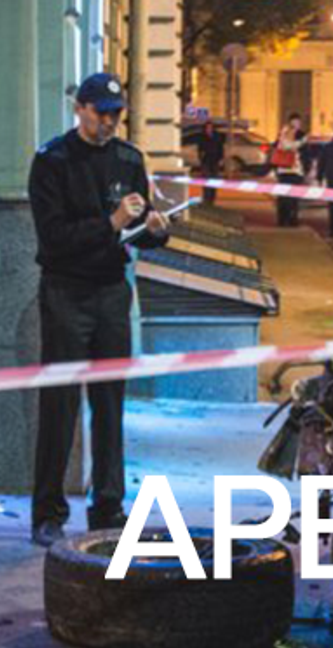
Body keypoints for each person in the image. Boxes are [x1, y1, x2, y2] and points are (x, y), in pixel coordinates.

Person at [27, 73, 171, 547]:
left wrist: (156, 229)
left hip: (111, 291)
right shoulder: (52, 161)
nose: (109, 122)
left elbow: (138, 228)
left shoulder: (128, 159)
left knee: (110, 403)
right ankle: (48, 512)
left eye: (116, 114)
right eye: (101, 113)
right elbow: (54, 239)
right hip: (66, 292)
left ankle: (108, 507)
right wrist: (111, 222)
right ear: (80, 109)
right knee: (60, 405)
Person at [273, 113, 307, 227]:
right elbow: (286, 146)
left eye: (298, 122)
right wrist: (302, 142)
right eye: (295, 122)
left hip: (294, 171)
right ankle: (284, 219)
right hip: (286, 170)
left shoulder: (300, 134)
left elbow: (306, 154)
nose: (297, 125)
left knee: (293, 198)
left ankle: (291, 219)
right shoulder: (284, 133)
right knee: (285, 197)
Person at [197, 120, 224, 204]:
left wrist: (220, 158)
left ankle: (212, 198)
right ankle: (206, 197)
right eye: (207, 128)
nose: (208, 129)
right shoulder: (202, 136)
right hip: (206, 160)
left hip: (215, 160)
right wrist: (201, 158)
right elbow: (200, 148)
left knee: (214, 179)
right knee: (205, 179)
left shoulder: (216, 136)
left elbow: (220, 148)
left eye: (210, 127)